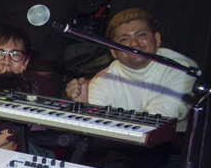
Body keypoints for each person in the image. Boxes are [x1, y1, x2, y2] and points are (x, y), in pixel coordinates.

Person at [67, 8, 196, 127]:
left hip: (174, 143)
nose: (134, 43)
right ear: (113, 51)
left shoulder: (183, 69)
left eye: (141, 35)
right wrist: (84, 109)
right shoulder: (101, 81)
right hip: (119, 143)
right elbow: (96, 129)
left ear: (157, 39)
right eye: (124, 39)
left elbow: (158, 118)